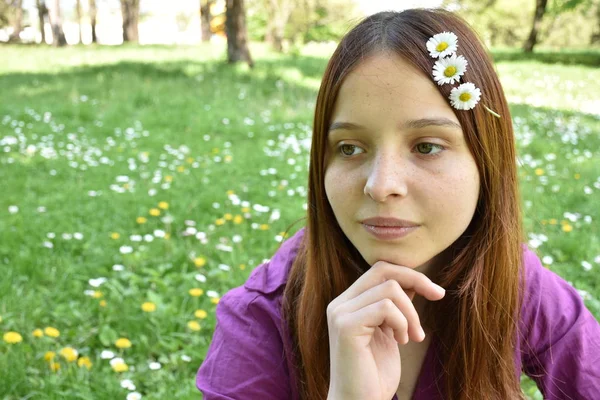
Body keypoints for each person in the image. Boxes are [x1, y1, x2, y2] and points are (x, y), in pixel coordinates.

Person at [195, 8, 600, 400]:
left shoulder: (515, 286)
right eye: (349, 148)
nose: (380, 185)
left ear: (486, 160)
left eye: (427, 146)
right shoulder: (261, 317)